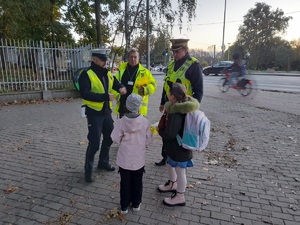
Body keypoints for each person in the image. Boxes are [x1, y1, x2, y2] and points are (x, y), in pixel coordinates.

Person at [78, 48, 127, 183]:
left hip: (106, 113)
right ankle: (88, 171)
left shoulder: (108, 74)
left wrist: (122, 87)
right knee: (94, 143)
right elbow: (85, 93)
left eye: (105, 60)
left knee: (110, 137)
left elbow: (116, 84)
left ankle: (103, 162)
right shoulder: (86, 74)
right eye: (102, 60)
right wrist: (105, 97)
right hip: (94, 113)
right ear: (94, 59)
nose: (105, 62)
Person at [155, 38, 203, 166]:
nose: (174, 54)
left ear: (185, 50)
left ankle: (180, 160)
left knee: (178, 135)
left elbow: (198, 91)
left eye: (177, 51)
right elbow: (166, 86)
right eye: (173, 51)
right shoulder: (171, 65)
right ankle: (166, 156)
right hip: (170, 105)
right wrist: (162, 102)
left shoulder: (194, 65)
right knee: (167, 130)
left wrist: (192, 109)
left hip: (183, 109)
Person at [157, 83, 200, 206]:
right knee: (170, 164)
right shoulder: (182, 106)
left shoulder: (176, 112)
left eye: (169, 93)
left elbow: (170, 133)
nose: (167, 94)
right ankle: (172, 184)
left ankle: (180, 196)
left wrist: (160, 131)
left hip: (178, 148)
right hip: (176, 147)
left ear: (174, 97)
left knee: (180, 171)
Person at [111, 93, 153, 214]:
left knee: (124, 183)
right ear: (139, 106)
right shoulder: (145, 122)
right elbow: (149, 139)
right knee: (137, 182)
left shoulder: (121, 122)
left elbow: (115, 138)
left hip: (124, 159)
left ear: (127, 105)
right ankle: (136, 204)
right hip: (138, 159)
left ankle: (124, 206)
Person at [114, 48, 157, 118]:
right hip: (123, 108)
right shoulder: (121, 71)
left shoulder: (145, 72)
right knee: (123, 128)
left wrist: (145, 90)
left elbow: (154, 85)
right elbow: (113, 84)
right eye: (131, 57)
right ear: (128, 58)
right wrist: (118, 95)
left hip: (138, 110)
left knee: (137, 129)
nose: (133, 59)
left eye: (135, 57)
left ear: (138, 58)